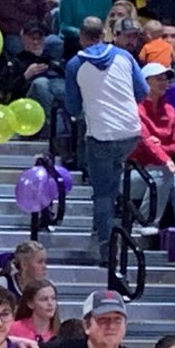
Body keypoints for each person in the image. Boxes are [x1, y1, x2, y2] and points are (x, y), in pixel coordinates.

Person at [65, 17, 147, 263]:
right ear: (103, 34)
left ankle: (106, 249)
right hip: (131, 133)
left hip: (101, 136)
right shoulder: (125, 56)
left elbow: (72, 106)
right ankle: (103, 229)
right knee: (111, 186)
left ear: (82, 37)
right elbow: (143, 91)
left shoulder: (75, 64)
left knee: (103, 195)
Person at [129, 62, 175, 237]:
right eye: (159, 79)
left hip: (163, 169)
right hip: (134, 172)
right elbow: (143, 142)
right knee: (163, 174)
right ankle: (144, 222)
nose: (164, 82)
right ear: (145, 82)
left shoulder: (170, 110)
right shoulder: (135, 109)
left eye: (165, 79)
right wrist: (164, 158)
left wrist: (159, 149)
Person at [0, 22, 66, 133]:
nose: (35, 42)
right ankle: (53, 128)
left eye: (39, 39)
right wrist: (25, 76)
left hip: (55, 102)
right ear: (23, 38)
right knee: (40, 84)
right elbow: (5, 91)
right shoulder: (15, 63)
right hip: (26, 110)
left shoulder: (52, 62)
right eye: (32, 38)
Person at [9, 278, 60, 342]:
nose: (50, 303)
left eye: (53, 298)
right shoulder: (14, 329)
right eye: (44, 299)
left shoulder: (60, 332)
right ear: (30, 304)